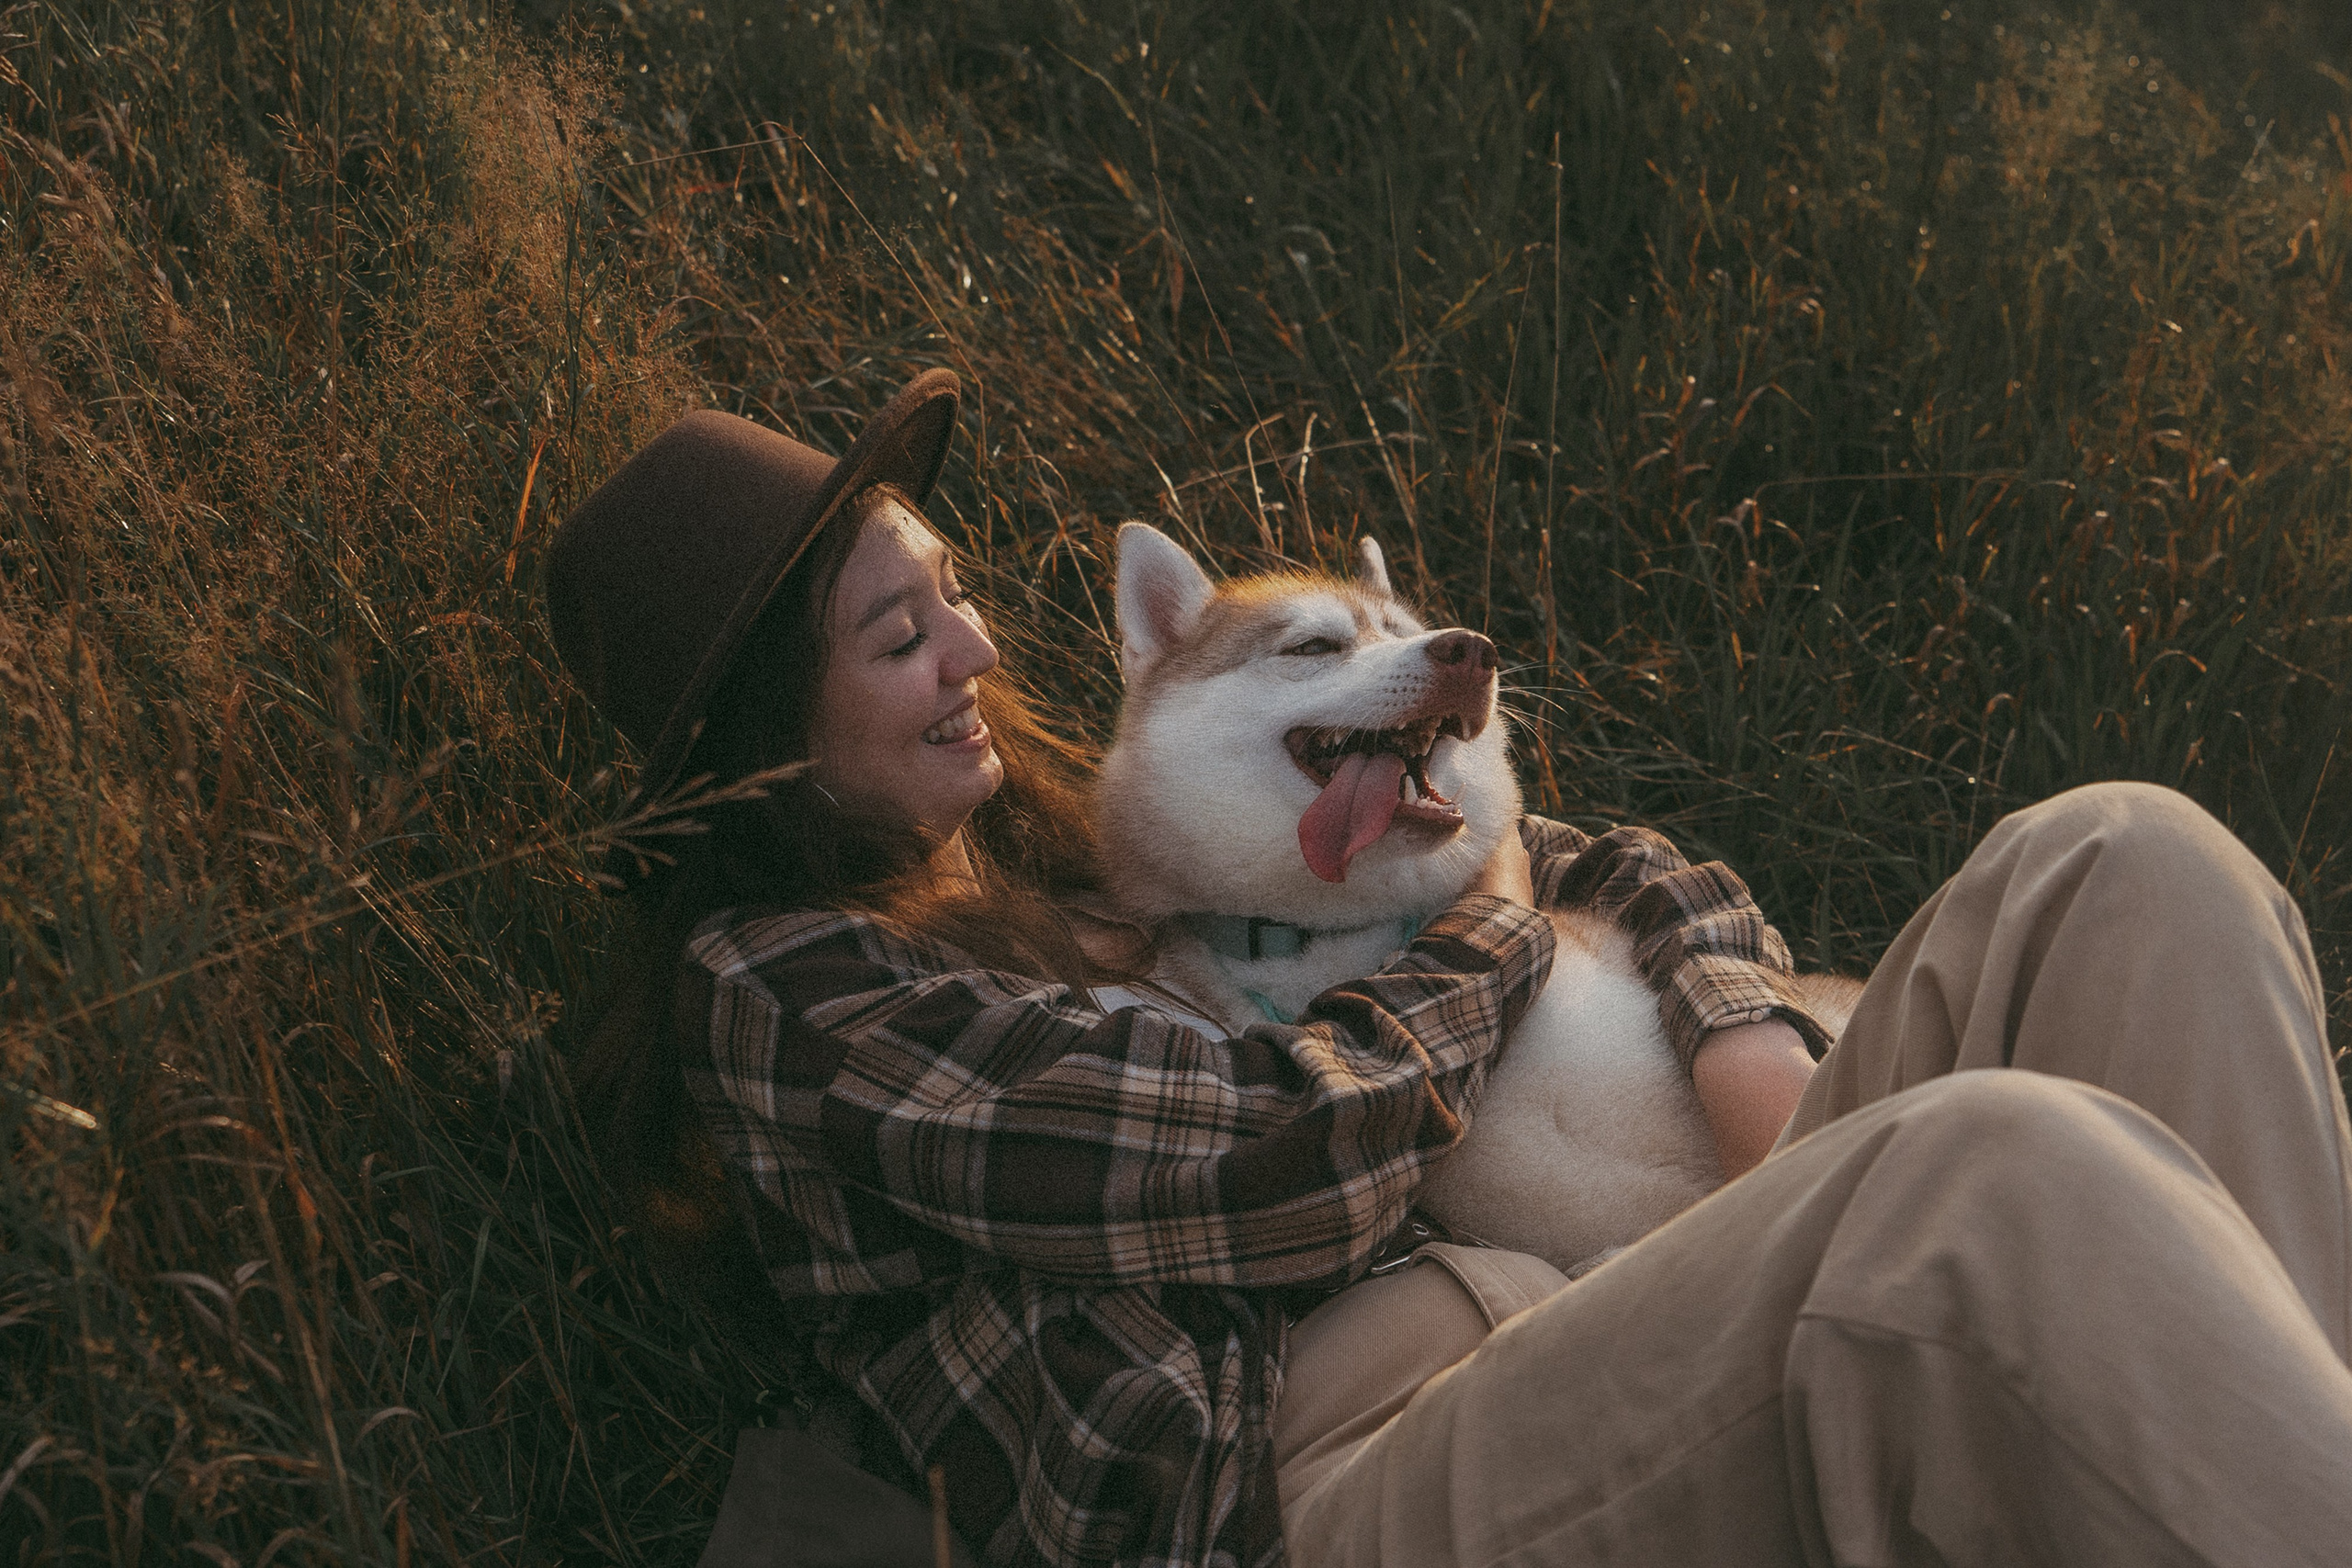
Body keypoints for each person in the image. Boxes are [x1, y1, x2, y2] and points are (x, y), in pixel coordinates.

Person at [548, 369, 2352, 1568]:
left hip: (1557, 1305)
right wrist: (1478, 907)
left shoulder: (1044, 849)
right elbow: (1273, 1157)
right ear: (763, 739)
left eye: (948, 593)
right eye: (896, 631)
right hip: (1313, 1484)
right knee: (1982, 1189)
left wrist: (1724, 1008)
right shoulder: (789, 994)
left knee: (2122, 865)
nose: (972, 642)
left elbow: (1591, 851)